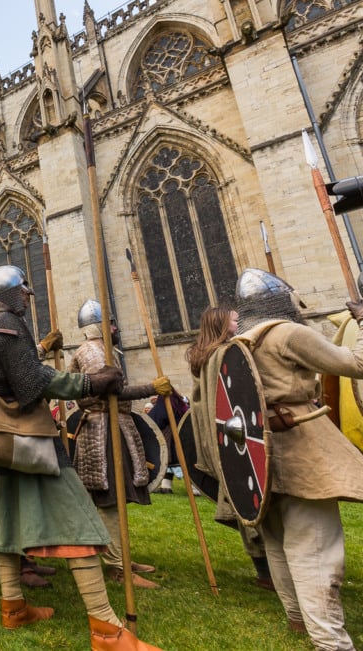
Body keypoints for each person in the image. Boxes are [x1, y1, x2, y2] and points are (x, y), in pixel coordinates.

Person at [0, 265, 162, 649]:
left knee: (7, 522)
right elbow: (32, 382)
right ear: (8, 292)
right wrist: (90, 382)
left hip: (2, 438)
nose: (27, 295)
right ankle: (106, 629)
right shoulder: (4, 323)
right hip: (29, 438)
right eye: (23, 289)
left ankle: (13, 607)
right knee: (79, 522)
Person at [222, 268, 363, 648]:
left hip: (260, 454)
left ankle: (298, 619)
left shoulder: (240, 340)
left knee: (278, 539)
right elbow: (356, 364)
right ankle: (331, 640)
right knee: (314, 547)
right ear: (281, 299)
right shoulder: (288, 333)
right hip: (300, 446)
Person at [68, 299, 171, 589]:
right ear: (98, 326)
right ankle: (116, 565)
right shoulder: (92, 351)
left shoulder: (106, 350)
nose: (115, 327)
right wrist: (151, 389)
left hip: (113, 426)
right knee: (109, 499)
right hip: (101, 430)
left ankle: (121, 556)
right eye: (110, 323)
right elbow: (109, 390)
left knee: (118, 497)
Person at [186, 306, 273, 591]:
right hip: (235, 432)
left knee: (245, 495)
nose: (239, 322)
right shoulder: (225, 354)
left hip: (226, 434)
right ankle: (269, 571)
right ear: (222, 324)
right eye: (235, 319)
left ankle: (265, 569)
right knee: (252, 498)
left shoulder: (204, 354)